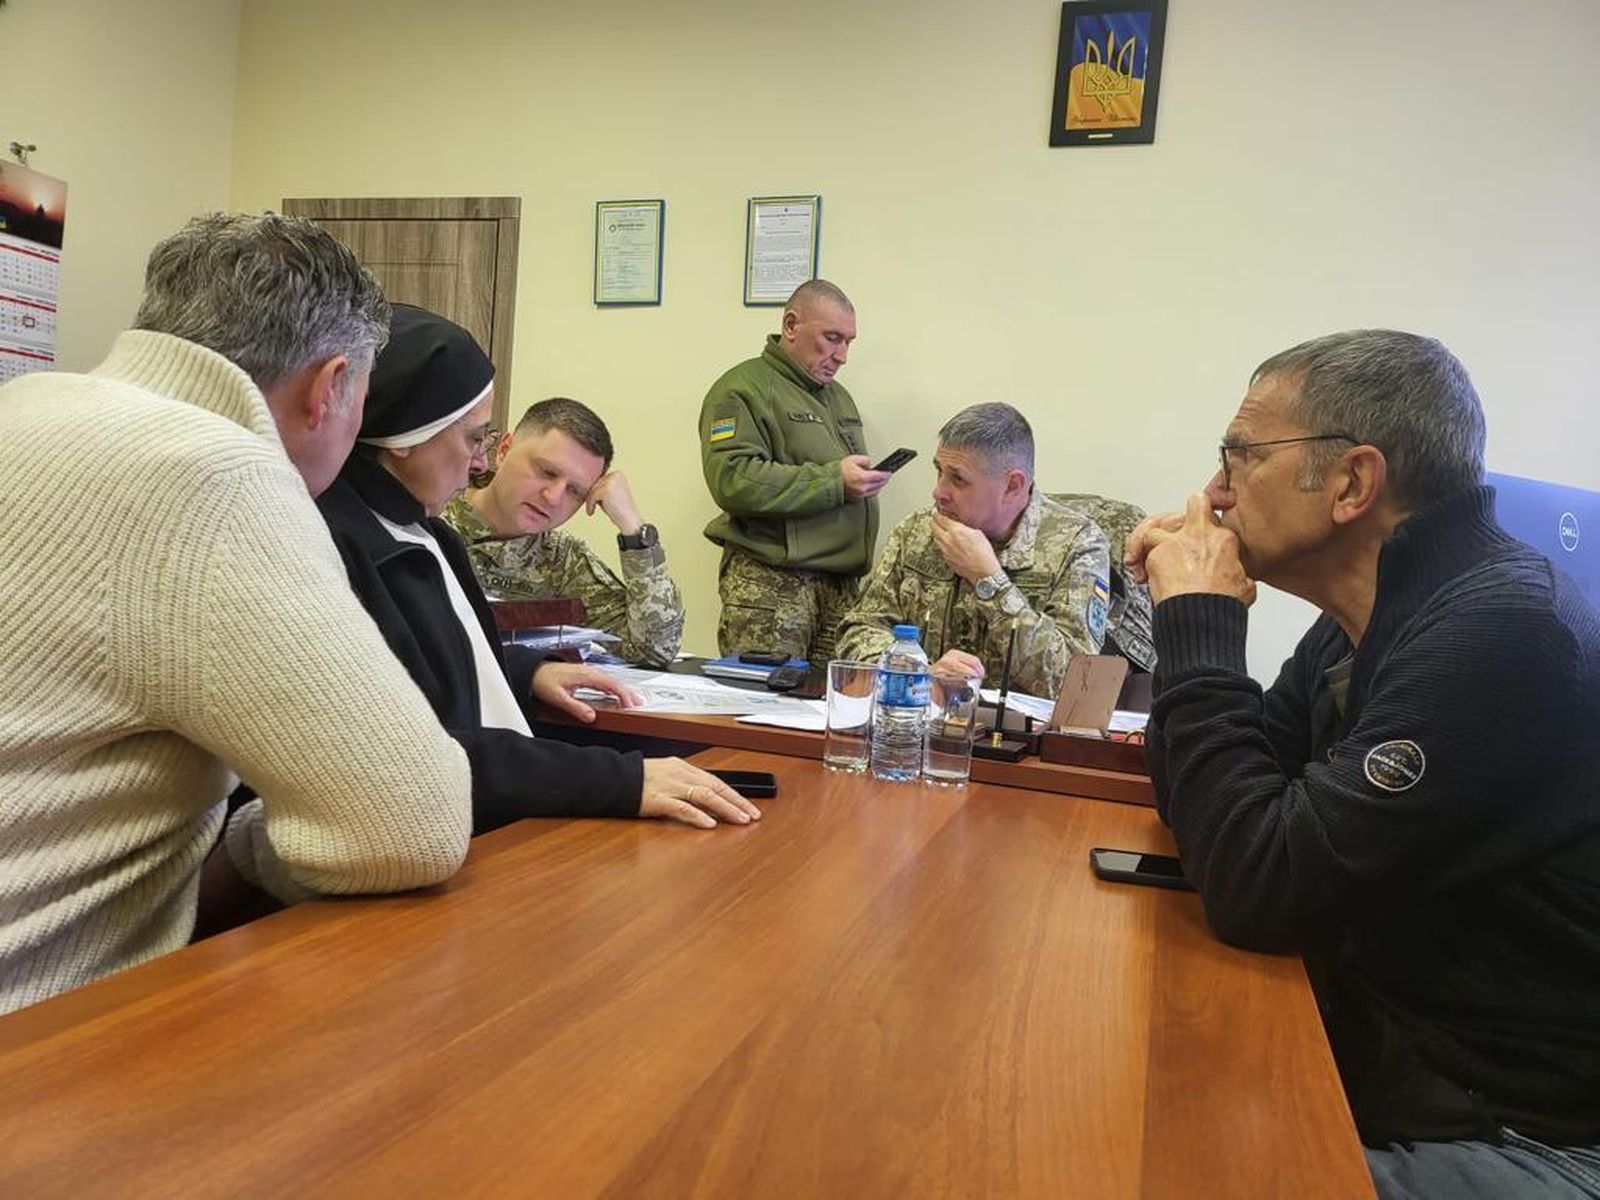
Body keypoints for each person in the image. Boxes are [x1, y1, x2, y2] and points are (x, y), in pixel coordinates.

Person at [1125, 330, 1600, 1197]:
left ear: (1352, 483)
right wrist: (1189, 629)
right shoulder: (1371, 611)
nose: (1215, 492)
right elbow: (1209, 805)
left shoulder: (1502, 631)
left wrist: (1200, 621)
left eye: (1242, 455)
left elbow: (1255, 886)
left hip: (1522, 1130)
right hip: (1395, 1058)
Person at [0, 213, 473, 1015]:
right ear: (331, 388)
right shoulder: (217, 476)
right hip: (41, 1049)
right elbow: (411, 824)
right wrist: (245, 857)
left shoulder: (25, 406)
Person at [317, 304, 760, 832]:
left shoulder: (431, 533)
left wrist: (530, 670)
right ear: (411, 435)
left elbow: (448, 665)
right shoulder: (360, 536)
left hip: (493, 796)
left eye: (575, 490)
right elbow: (415, 743)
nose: (478, 462)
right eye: (474, 440)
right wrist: (619, 779)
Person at [834, 403, 1123, 698]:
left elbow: (1074, 682)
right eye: (939, 472)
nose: (938, 492)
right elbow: (858, 630)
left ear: (1013, 485)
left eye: (958, 479)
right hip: (918, 724)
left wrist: (989, 581)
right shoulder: (916, 531)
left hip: (1021, 738)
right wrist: (919, 673)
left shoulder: (1078, 544)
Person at [700, 279, 891, 662]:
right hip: (774, 586)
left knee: (832, 713)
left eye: (849, 342)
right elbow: (732, 479)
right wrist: (834, 481)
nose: (841, 356)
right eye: (832, 338)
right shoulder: (742, 389)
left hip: (839, 585)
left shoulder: (837, 397)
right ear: (790, 326)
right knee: (764, 712)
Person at [442, 397, 684, 667]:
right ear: (504, 449)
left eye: (575, 491)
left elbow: (656, 650)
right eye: (546, 471)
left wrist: (635, 530)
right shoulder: (432, 518)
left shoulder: (562, 558)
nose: (553, 497)